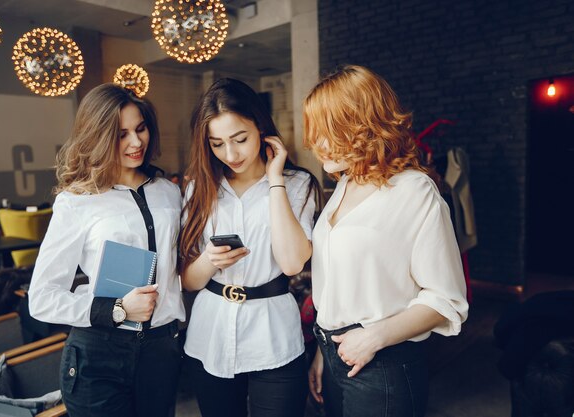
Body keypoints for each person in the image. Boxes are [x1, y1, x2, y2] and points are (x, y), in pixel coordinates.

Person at [303, 65, 469, 417]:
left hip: (384, 362)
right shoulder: (344, 184)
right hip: (334, 353)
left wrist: (374, 337)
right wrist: (323, 351)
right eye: (315, 132)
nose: (317, 144)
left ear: (366, 124)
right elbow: (339, 287)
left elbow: (446, 299)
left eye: (329, 131)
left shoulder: (413, 190)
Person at [28, 83, 184, 417]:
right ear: (97, 136)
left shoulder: (167, 192)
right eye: (121, 134)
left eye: (140, 129)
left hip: (162, 350)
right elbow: (41, 298)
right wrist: (116, 308)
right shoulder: (77, 201)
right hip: (99, 355)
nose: (136, 142)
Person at [179, 78, 321, 417]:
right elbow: (188, 280)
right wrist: (211, 261)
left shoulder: (298, 184)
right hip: (209, 332)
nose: (231, 154)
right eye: (217, 144)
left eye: (240, 139)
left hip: (272, 334)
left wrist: (275, 179)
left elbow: (291, 263)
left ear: (260, 127)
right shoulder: (200, 188)